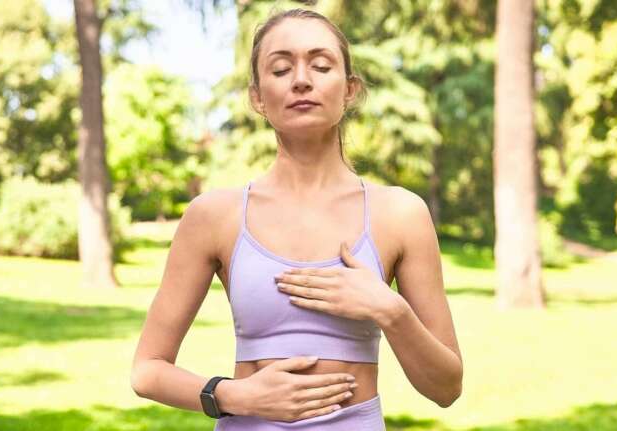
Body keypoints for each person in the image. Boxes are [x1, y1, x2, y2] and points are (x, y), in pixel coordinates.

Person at [130, 8, 462, 430]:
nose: (302, 80)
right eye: (281, 69)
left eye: (321, 66)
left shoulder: (400, 214)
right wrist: (235, 395)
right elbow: (147, 369)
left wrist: (390, 310)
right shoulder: (214, 216)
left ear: (349, 89)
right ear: (257, 97)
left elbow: (446, 388)